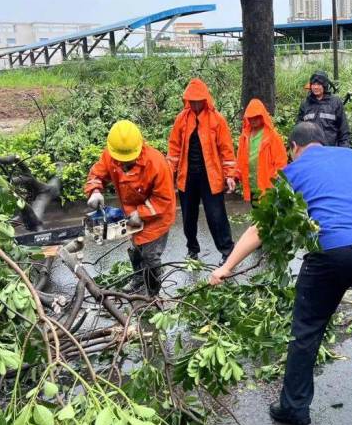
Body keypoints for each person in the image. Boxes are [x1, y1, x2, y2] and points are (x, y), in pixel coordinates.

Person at [208, 122, 352, 425]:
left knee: (307, 328)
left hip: (331, 252)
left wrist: (227, 268)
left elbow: (261, 228)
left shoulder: (291, 172)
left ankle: (294, 407)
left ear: (293, 148)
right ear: (324, 142)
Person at [85, 120, 175, 296]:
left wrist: (141, 213)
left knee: (150, 255)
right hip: (130, 212)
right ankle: (139, 279)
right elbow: (97, 173)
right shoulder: (111, 156)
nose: (123, 162)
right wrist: (95, 190)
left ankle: (153, 292)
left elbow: (163, 199)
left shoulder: (156, 163)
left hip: (157, 217)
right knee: (136, 248)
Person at [167, 78, 237, 263]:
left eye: (198, 100)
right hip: (187, 176)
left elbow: (226, 150)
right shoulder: (181, 119)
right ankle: (192, 250)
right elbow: (174, 149)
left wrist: (230, 175)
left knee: (216, 216)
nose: (195, 104)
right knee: (188, 217)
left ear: (205, 99)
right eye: (192, 100)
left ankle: (227, 251)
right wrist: (169, 173)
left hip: (210, 177)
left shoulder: (217, 120)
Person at [236, 98, 288, 205]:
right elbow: (240, 159)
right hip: (252, 184)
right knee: (256, 212)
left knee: (268, 215)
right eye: (250, 118)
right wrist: (236, 175)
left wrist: (275, 180)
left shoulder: (272, 136)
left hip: (268, 185)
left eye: (256, 117)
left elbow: (281, 161)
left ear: (262, 116)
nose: (253, 120)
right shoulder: (245, 136)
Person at [297, 70, 350, 147]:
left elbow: (344, 131)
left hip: (330, 151)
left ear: (324, 85)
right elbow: (299, 129)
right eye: (313, 84)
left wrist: (343, 151)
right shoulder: (305, 104)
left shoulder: (335, 102)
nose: (315, 87)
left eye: (319, 84)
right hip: (311, 151)